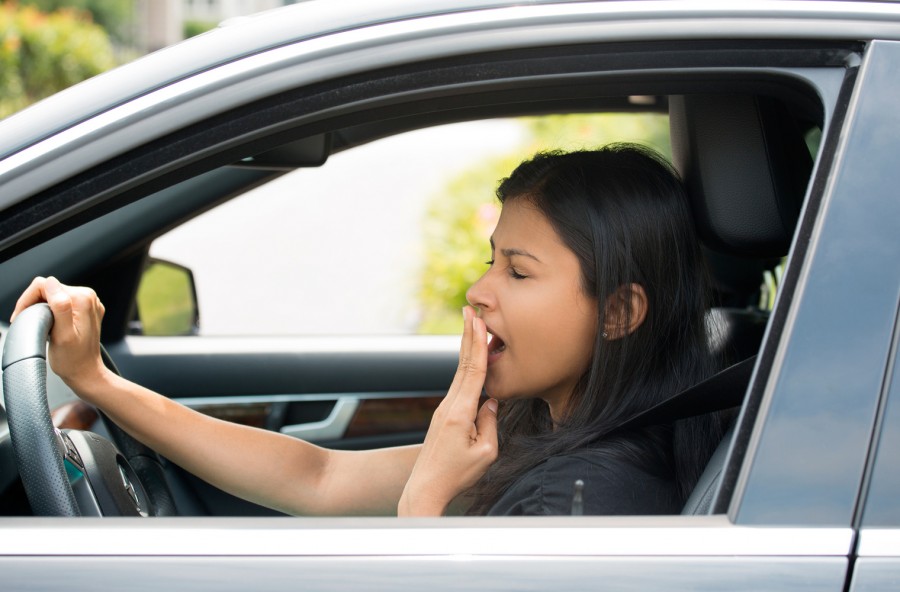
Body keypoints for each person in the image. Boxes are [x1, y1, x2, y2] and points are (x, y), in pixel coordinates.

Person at [11, 143, 725, 517]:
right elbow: (317, 477)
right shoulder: (549, 436)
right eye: (491, 262)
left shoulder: (587, 504)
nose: (478, 292)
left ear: (618, 313)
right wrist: (98, 381)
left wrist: (425, 500)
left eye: (518, 271)